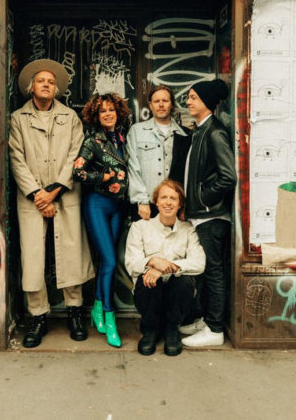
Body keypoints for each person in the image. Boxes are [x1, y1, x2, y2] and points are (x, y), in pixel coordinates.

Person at [9, 59, 95, 348]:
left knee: (71, 250)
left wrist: (54, 190)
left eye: (50, 81)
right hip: (32, 198)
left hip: (65, 193)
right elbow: (16, 158)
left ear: (56, 89)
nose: (46, 84)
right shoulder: (18, 118)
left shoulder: (70, 117)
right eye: (40, 81)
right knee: (33, 254)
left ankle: (75, 311)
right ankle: (38, 316)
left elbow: (76, 155)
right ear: (31, 87)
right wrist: (37, 194)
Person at [181, 78, 236, 348]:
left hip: (211, 216)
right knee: (205, 270)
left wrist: (202, 199)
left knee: (213, 271)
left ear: (206, 102)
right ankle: (206, 319)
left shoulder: (214, 132)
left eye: (193, 97)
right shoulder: (201, 130)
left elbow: (228, 177)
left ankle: (215, 329)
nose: (188, 102)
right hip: (202, 215)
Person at [73, 92, 131, 348]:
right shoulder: (92, 141)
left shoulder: (122, 138)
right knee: (108, 260)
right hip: (97, 204)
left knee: (108, 261)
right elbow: (78, 172)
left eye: (111, 110)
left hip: (118, 207)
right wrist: (103, 178)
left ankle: (97, 305)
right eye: (103, 111)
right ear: (96, 116)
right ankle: (110, 318)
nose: (108, 114)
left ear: (118, 112)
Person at [125, 179, 205, 356]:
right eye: (163, 198)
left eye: (173, 198)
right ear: (156, 202)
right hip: (149, 295)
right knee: (148, 279)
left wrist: (165, 267)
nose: (168, 202)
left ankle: (171, 329)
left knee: (184, 281)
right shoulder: (140, 227)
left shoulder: (188, 229)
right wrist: (152, 261)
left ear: (180, 204)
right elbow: (131, 263)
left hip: (175, 298)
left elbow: (199, 263)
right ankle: (150, 330)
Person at [126, 85, 191, 221]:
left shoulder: (185, 135)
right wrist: (141, 200)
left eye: (165, 101)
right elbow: (133, 167)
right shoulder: (137, 131)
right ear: (150, 105)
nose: (161, 105)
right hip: (147, 205)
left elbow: (187, 174)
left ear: (171, 104)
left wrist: (184, 206)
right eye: (156, 101)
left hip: (173, 206)